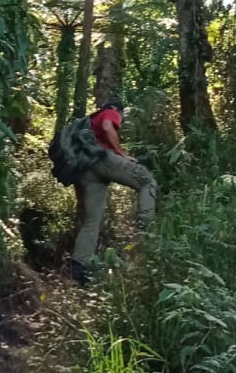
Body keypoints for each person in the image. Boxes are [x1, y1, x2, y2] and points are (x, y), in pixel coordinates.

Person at [49, 101, 157, 285]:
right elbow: (108, 126)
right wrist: (121, 152)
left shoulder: (89, 122)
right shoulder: (111, 112)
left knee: (91, 221)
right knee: (148, 182)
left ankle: (78, 271)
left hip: (86, 170)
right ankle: (147, 233)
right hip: (102, 159)